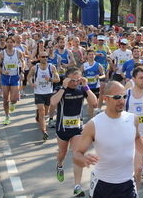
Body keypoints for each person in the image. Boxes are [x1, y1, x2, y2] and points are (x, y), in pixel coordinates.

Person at [72, 81, 143, 198]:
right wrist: (83, 159)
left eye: (124, 96)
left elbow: (137, 137)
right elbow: (77, 155)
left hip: (128, 184)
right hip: (102, 185)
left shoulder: (132, 119)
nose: (122, 101)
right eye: (117, 97)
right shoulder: (94, 124)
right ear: (105, 98)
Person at [50, 67, 98, 197]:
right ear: (66, 78)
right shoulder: (60, 89)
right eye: (72, 80)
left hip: (77, 128)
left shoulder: (81, 89)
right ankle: (59, 165)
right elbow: (53, 102)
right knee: (62, 153)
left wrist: (86, 86)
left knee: (78, 155)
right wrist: (63, 87)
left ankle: (77, 186)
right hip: (63, 128)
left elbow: (94, 103)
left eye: (78, 80)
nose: (75, 83)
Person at [27, 51, 60, 141]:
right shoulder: (35, 68)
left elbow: (58, 79)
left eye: (46, 57)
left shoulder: (51, 67)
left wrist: (49, 79)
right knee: (42, 112)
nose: (45, 58)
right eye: (43, 57)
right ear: (39, 58)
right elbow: (28, 77)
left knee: (45, 113)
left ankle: (38, 114)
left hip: (48, 92)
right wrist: (31, 83)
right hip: (38, 92)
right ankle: (44, 131)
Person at [0, 36, 25, 125]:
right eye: (7, 42)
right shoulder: (2, 53)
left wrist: (22, 72)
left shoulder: (18, 53)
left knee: (13, 99)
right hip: (5, 78)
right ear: (6, 43)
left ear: (14, 43)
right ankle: (7, 116)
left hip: (15, 77)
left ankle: (13, 103)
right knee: (5, 99)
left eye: (11, 42)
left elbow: (23, 62)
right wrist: (3, 71)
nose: (9, 44)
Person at [79, 49, 105, 118]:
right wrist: (82, 78)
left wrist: (99, 77)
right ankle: (91, 118)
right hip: (87, 87)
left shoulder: (98, 65)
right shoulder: (84, 65)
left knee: (95, 104)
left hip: (96, 87)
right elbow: (79, 74)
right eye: (89, 54)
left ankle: (90, 110)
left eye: (92, 54)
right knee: (90, 104)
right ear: (87, 56)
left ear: (94, 56)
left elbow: (103, 75)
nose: (91, 56)